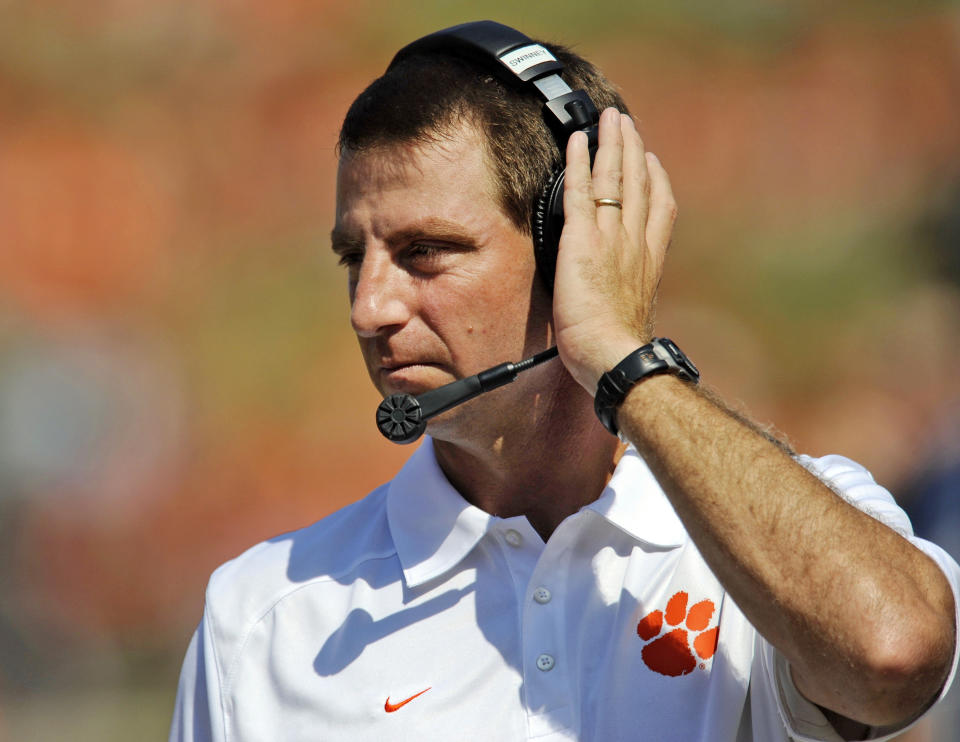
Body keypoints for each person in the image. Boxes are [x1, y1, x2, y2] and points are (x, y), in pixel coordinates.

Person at [169, 21, 959, 742]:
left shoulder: (781, 548)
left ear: (571, 243)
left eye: (425, 252)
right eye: (355, 258)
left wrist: (623, 355)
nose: (370, 308)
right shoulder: (259, 617)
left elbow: (893, 656)